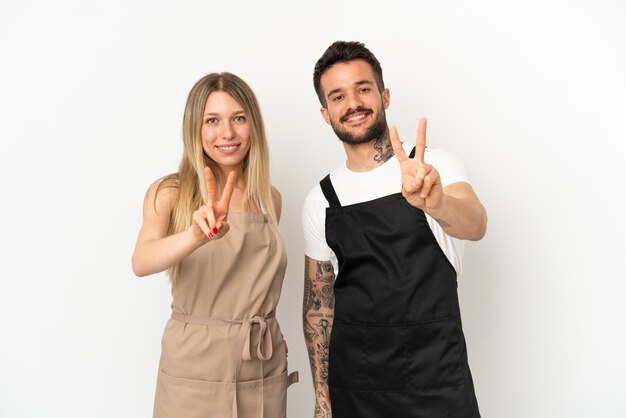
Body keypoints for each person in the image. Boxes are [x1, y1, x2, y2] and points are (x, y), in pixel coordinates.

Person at [302, 41, 487, 418]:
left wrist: (437, 204)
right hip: (356, 390)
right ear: (326, 113)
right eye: (338, 96)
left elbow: (476, 223)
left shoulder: (433, 165)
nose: (353, 103)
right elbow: (318, 309)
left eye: (363, 88)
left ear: (384, 95)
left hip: (437, 383)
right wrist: (322, 403)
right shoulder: (321, 199)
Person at [132, 72, 297, 418]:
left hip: (259, 362)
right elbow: (142, 261)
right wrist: (194, 234)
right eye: (212, 120)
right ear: (195, 128)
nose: (227, 133)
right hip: (194, 365)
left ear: (254, 125)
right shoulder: (171, 192)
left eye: (239, 118)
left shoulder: (270, 199)